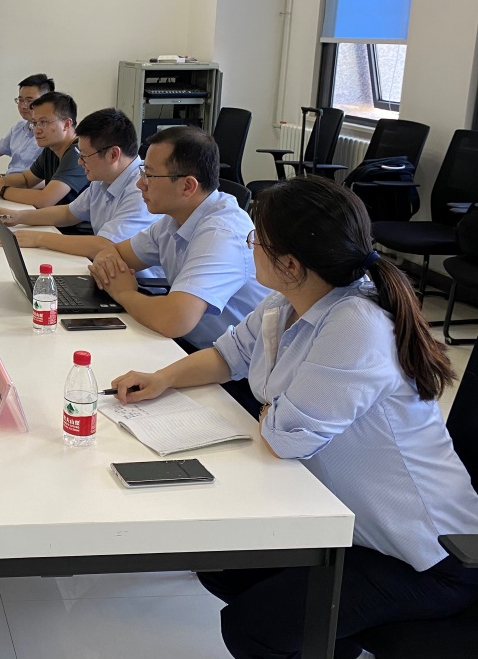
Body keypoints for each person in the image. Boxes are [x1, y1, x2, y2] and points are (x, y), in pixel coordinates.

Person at [107, 176, 478, 659]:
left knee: (252, 628)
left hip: (425, 557)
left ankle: (323, 637)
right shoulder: (289, 300)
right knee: (222, 567)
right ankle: (329, 642)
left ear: (290, 264)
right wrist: (163, 378)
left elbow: (287, 438)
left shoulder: (356, 325)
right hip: (350, 521)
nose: (249, 246)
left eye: (256, 239)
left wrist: (274, 413)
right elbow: (228, 356)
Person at [89, 126, 269, 351]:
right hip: (192, 346)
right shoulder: (175, 219)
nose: (140, 184)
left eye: (149, 175)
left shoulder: (221, 235)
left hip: (232, 365)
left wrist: (124, 292)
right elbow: (111, 253)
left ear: (187, 186)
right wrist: (111, 272)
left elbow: (173, 320)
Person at [0, 108, 160, 269]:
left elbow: (105, 245)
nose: (79, 162)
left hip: (139, 285)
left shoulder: (140, 189)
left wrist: (38, 238)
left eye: (84, 156)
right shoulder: (103, 179)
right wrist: (17, 217)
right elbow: (68, 213)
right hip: (105, 271)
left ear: (113, 154)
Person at [0, 91, 89, 222]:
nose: (37, 129)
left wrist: (1, 190)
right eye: (35, 123)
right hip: (54, 223)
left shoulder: (78, 153)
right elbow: (26, 179)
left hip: (73, 230)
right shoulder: (51, 149)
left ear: (66, 124)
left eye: (44, 122)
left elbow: (45, 200)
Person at [0, 73, 53, 173]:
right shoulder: (19, 127)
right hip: (10, 179)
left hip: (28, 183)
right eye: (21, 100)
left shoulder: (51, 134)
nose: (23, 106)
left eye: (29, 101)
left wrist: (4, 181)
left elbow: (45, 178)